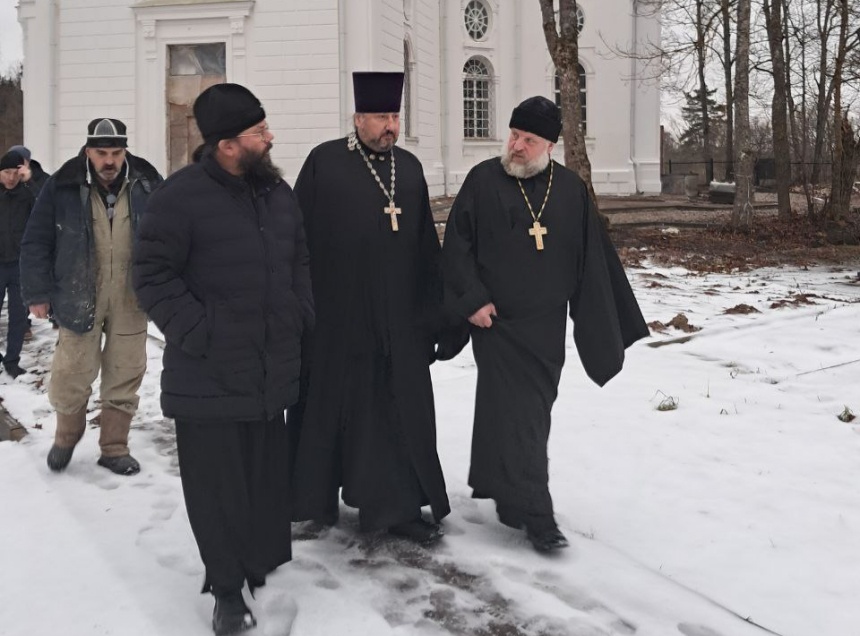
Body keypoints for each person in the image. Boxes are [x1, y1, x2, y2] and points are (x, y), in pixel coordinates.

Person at [132, 83, 313, 636]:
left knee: (261, 479)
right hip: (208, 373)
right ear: (228, 144)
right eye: (259, 131)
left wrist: (299, 312)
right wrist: (200, 331)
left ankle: (255, 562)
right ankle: (227, 590)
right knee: (216, 489)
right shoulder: (179, 197)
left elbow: (299, 260)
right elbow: (150, 275)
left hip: (267, 368)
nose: (270, 137)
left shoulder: (276, 192)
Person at [442, 96, 649, 552]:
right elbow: (456, 246)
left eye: (529, 140)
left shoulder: (570, 190)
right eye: (514, 135)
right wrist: (472, 301)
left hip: (545, 328)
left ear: (550, 146)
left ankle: (508, 496)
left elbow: (591, 261)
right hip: (496, 324)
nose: (516, 146)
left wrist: (599, 322)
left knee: (526, 413)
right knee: (520, 414)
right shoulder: (483, 180)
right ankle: (538, 514)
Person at [290, 71, 456, 545]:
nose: (391, 126)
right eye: (381, 116)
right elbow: (296, 240)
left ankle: (397, 508)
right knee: (331, 407)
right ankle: (315, 499)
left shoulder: (410, 167)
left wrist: (436, 312)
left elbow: (425, 244)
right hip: (337, 318)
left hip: (399, 321)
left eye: (395, 116)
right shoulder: (324, 162)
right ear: (358, 118)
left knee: (397, 413)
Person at [20, 119, 162, 475]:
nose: (109, 160)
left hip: (130, 296)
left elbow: (169, 235)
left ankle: (114, 447)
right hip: (77, 292)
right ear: (88, 151)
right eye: (101, 153)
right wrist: (37, 292)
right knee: (72, 370)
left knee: (126, 370)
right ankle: (66, 437)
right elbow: (36, 240)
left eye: (116, 152)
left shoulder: (147, 181)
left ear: (125, 151)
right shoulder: (63, 185)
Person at [0, 150, 35, 377]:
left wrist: (29, 182)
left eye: (15, 173)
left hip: (20, 265)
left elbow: (44, 210)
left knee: (18, 317)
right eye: (6, 172)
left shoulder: (27, 194)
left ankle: (12, 360)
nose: (11, 177)